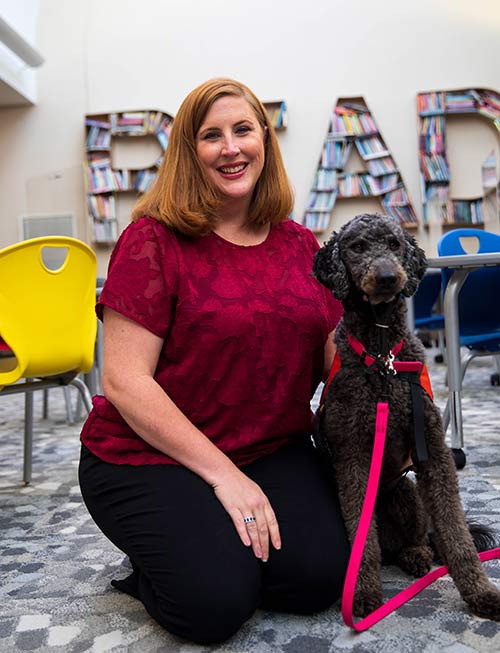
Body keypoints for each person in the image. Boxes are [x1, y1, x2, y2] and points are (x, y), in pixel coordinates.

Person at [78, 77, 350, 645]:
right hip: (149, 454)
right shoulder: (153, 241)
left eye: (243, 130)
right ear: (189, 153)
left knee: (319, 579)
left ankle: (217, 549)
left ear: (264, 142)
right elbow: (124, 382)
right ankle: (163, 563)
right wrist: (225, 479)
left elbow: (336, 358)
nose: (231, 148)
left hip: (269, 446)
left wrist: (391, 381)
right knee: (213, 606)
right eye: (211, 136)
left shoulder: (302, 245)